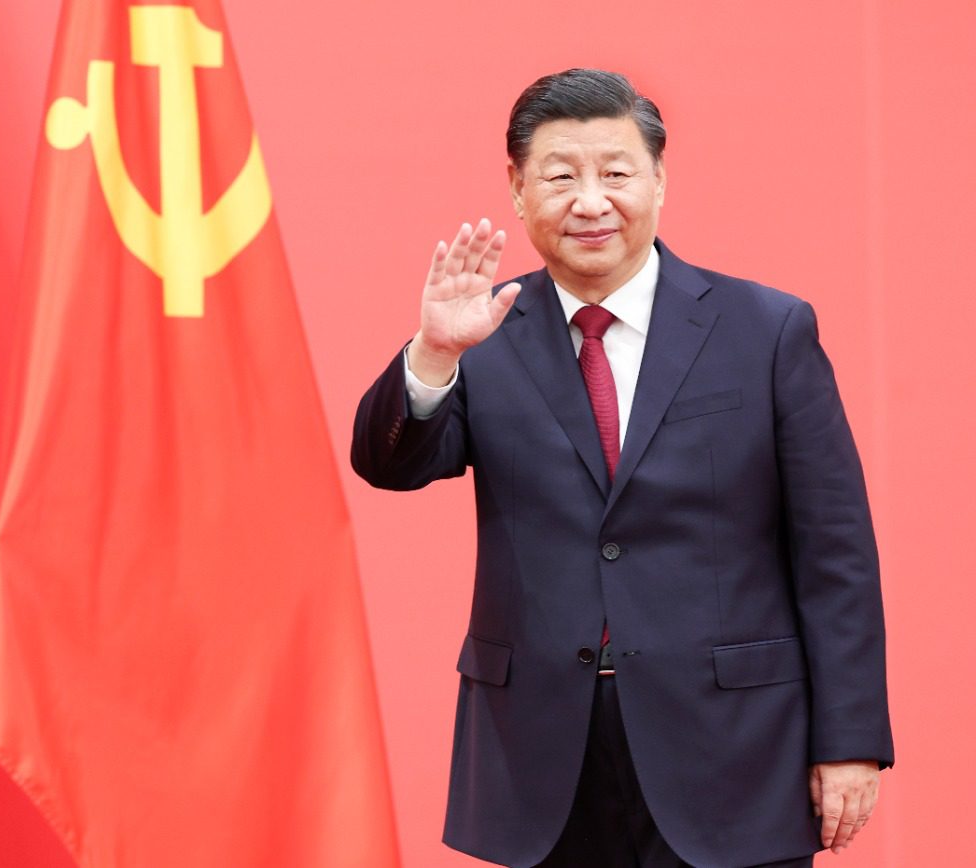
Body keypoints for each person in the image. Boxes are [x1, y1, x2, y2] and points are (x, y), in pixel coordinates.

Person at [351, 69, 892, 868]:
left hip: (732, 749)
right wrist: (433, 354)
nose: (591, 201)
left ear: (660, 179)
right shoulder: (485, 330)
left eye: (616, 173)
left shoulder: (765, 330)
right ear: (516, 188)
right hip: (543, 757)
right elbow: (387, 464)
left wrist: (850, 741)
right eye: (561, 176)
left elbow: (835, 551)